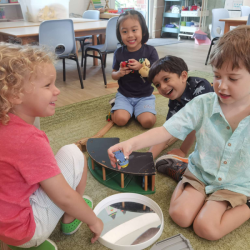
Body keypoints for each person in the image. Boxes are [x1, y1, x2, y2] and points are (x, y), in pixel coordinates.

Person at [107, 25, 250, 240]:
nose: (221, 86)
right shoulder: (204, 103)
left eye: (233, 78)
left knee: (207, 228)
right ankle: (184, 171)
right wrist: (131, 144)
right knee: (180, 215)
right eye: (217, 76)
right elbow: (167, 131)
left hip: (236, 183)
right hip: (202, 172)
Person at [0, 43, 103, 249]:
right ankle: (69, 217)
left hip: (4, 224)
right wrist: (93, 219)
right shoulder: (28, 139)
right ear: (15, 95)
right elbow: (63, 195)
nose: (56, 91)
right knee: (73, 153)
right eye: (48, 85)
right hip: (25, 231)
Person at [147, 55, 213, 181]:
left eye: (166, 79)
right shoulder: (174, 100)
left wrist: (183, 150)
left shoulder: (201, 86)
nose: (163, 87)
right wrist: (148, 158)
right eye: (158, 85)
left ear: (183, 76)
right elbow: (166, 131)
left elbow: (198, 125)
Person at [111, 10, 159, 128]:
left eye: (134, 30)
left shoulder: (150, 51)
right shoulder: (118, 52)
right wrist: (119, 73)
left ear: (142, 31)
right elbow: (113, 75)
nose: (130, 35)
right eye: (125, 31)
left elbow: (157, 74)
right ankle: (117, 107)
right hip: (124, 95)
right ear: (120, 34)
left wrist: (141, 67)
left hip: (145, 96)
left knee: (148, 122)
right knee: (120, 120)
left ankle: (134, 111)